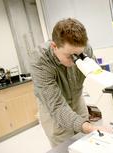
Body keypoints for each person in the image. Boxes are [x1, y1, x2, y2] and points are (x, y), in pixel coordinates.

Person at [30, 18, 105, 147]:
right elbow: (57, 107)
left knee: (87, 142)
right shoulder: (40, 60)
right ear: (54, 46)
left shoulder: (85, 49)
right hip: (53, 108)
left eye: (79, 55)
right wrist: (88, 127)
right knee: (66, 146)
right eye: (70, 55)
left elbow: (98, 80)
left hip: (77, 99)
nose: (76, 60)